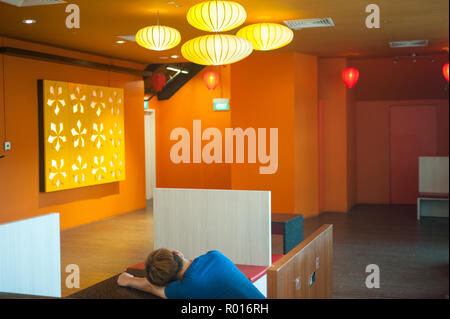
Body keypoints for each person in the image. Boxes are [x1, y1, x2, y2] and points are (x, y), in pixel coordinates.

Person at [117, 248, 266, 299]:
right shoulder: (215, 255)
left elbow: (152, 287)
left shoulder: (187, 288)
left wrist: (129, 280)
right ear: (177, 253)